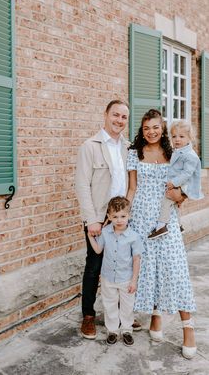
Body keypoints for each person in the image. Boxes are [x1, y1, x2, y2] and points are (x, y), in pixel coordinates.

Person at [126, 109, 197, 359]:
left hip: (166, 220)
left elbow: (189, 180)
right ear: (141, 130)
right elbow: (132, 188)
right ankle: (155, 316)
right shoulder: (134, 153)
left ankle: (188, 329)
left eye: (155, 127)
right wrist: (124, 217)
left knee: (174, 269)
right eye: (146, 128)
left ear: (162, 128)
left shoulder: (175, 153)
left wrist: (182, 196)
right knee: (149, 269)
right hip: (141, 220)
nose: (151, 132)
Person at [75, 100, 141, 339]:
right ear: (105, 114)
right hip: (100, 218)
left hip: (121, 216)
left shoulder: (128, 147)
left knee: (123, 264)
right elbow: (82, 185)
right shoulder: (90, 146)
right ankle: (89, 317)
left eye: (124, 117)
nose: (119, 120)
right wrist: (91, 219)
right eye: (116, 115)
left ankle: (124, 317)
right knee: (94, 266)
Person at [88, 196, 142, 346]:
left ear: (129, 215)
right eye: (115, 216)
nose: (119, 220)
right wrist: (90, 237)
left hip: (126, 278)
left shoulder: (133, 236)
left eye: (123, 216)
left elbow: (137, 259)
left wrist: (134, 280)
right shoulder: (105, 232)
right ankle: (112, 331)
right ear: (109, 217)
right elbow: (98, 250)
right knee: (109, 304)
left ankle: (126, 330)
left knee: (127, 306)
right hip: (108, 277)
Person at [148, 120, 204, 239]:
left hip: (187, 185)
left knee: (167, 199)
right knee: (175, 204)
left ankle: (161, 225)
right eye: (174, 136)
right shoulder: (179, 151)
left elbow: (187, 173)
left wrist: (173, 183)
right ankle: (179, 224)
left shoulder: (190, 155)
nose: (177, 139)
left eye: (181, 136)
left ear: (190, 138)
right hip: (181, 183)